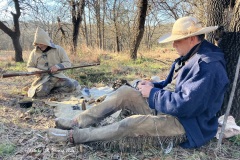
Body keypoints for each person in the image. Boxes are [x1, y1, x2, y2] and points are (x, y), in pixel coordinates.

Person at [48, 16, 229, 148]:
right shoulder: (189, 55)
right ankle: (78, 121)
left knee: (131, 124)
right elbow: (170, 87)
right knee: (125, 92)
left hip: (188, 124)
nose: (173, 45)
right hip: (171, 108)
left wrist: (152, 94)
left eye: (177, 41)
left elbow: (186, 106)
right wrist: (150, 87)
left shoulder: (207, 66)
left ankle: (75, 136)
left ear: (191, 38)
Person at [27, 27, 79, 98]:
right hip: (43, 79)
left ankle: (53, 91)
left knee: (70, 86)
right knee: (39, 94)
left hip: (58, 77)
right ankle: (45, 89)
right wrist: (35, 71)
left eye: (41, 43)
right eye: (37, 44)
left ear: (46, 41)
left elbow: (67, 63)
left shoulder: (58, 49)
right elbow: (29, 66)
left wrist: (57, 67)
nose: (39, 46)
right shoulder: (34, 53)